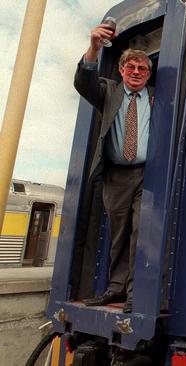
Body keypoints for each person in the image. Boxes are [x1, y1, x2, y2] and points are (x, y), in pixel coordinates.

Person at [74, 22, 153, 313]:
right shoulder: (109, 93)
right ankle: (116, 289)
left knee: (141, 230)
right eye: (130, 67)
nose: (135, 73)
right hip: (117, 176)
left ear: (148, 73)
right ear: (121, 70)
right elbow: (84, 82)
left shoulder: (158, 98)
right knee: (120, 232)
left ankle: (135, 293)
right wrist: (94, 47)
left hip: (148, 174)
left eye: (141, 69)